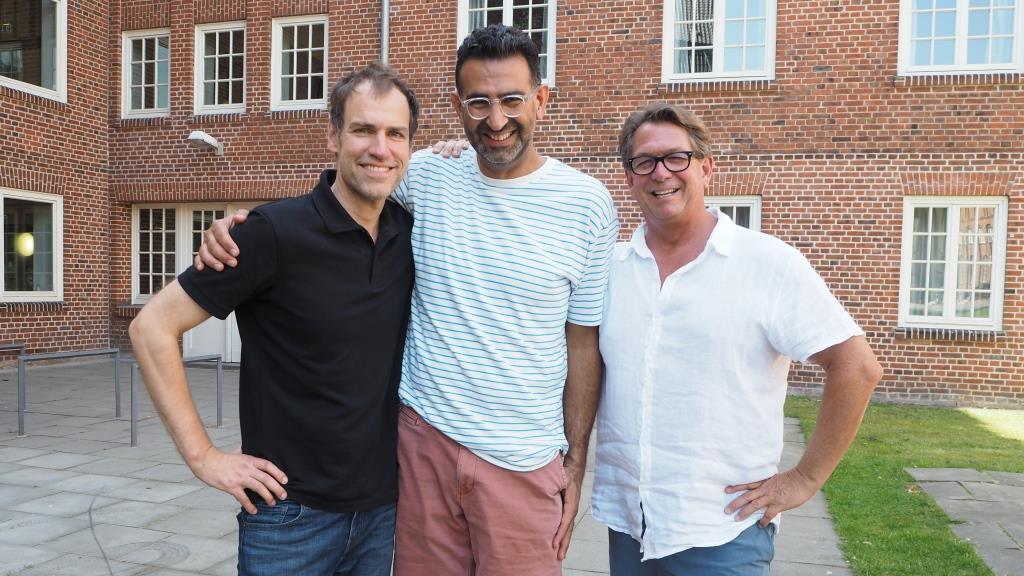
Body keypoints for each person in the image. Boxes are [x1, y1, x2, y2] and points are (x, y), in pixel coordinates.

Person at [195, 25, 619, 576]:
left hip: (524, 460)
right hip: (422, 452)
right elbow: (340, 196)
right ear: (457, 106)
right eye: (479, 103)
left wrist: (575, 461)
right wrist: (239, 226)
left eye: (512, 99)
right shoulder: (426, 173)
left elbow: (582, 340)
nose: (495, 120)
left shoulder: (588, 204)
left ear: (541, 98)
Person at [129, 63, 419, 576]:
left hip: (381, 512)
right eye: (363, 130)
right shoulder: (271, 233)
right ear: (332, 135)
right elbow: (152, 327)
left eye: (395, 133)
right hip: (289, 516)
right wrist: (202, 456)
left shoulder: (410, 233)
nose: (380, 148)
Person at [592, 103, 883, 575]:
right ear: (629, 177)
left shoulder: (765, 263)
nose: (660, 172)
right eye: (644, 161)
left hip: (724, 531)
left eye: (676, 158)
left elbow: (858, 367)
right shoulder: (612, 270)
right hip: (631, 526)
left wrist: (804, 479)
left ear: (707, 167)